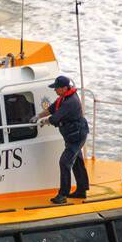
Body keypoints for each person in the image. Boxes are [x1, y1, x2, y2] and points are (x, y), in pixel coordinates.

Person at [40, 75, 89, 204]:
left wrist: (43, 121)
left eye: (56, 88)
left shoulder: (70, 102)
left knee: (65, 162)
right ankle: (81, 190)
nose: (55, 90)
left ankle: (63, 195)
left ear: (64, 88)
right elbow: (51, 109)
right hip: (72, 135)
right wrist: (38, 115)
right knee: (77, 162)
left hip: (77, 136)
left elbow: (55, 118)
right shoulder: (63, 98)